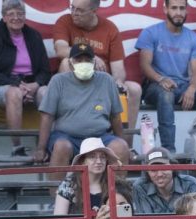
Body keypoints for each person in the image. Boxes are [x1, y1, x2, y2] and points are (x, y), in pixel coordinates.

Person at [52, 0, 142, 155]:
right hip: (75, 84)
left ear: (94, 11)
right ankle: (67, 131)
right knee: (66, 63)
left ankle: (127, 146)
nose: (74, 13)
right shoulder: (65, 21)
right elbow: (60, 50)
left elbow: (118, 69)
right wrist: (90, 57)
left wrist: (119, 81)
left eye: (80, 10)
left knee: (133, 88)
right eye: (72, 8)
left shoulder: (109, 28)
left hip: (101, 83)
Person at [136, 0, 196, 154]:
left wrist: (192, 88)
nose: (178, 12)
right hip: (155, 86)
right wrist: (160, 79)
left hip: (182, 86)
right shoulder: (150, 32)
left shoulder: (193, 38)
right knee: (166, 94)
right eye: (174, 8)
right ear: (165, 9)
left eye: (182, 8)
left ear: (186, 11)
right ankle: (168, 152)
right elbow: (145, 65)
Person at [34, 42, 128, 169]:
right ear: (70, 64)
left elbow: (115, 116)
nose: (83, 63)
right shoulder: (58, 81)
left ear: (94, 63)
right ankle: (57, 189)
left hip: (100, 137)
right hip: (67, 136)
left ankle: (118, 189)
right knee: (61, 146)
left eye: (87, 60)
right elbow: (47, 116)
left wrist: (124, 143)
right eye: (78, 60)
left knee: (120, 147)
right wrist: (41, 148)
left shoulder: (106, 80)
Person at [0, 0, 50, 156]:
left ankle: (45, 146)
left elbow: (45, 70)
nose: (16, 17)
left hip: (31, 84)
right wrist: (16, 84)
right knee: (14, 94)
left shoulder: (34, 36)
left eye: (20, 13)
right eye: (11, 14)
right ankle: (17, 147)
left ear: (25, 16)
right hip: (4, 85)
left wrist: (36, 84)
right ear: (4, 17)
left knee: (46, 93)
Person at [131, 147, 196, 219]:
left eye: (163, 168)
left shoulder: (190, 184)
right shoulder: (140, 187)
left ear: (173, 167)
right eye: (153, 170)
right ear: (147, 172)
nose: (159, 174)